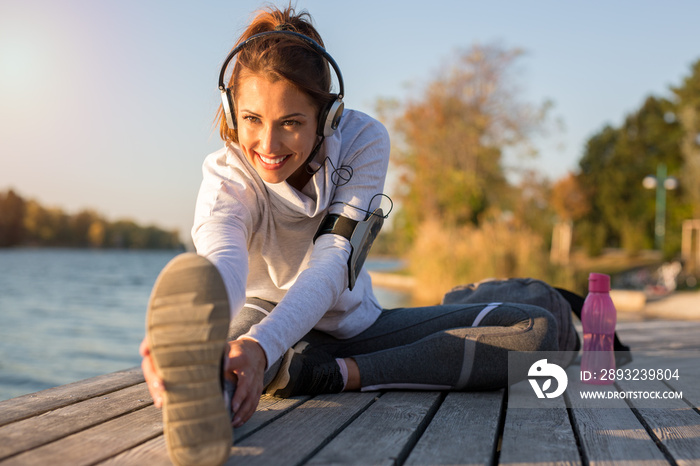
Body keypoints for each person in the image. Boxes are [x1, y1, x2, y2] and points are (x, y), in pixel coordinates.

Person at [139, 6, 569, 466]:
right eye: (252, 119)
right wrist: (209, 325)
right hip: (264, 323)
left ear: (326, 117)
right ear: (230, 111)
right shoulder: (226, 175)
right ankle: (211, 402)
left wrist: (267, 352)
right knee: (225, 355)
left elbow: (330, 262)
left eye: (291, 122)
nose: (267, 145)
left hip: (355, 328)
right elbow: (223, 259)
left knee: (538, 331)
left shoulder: (363, 139)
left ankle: (328, 375)